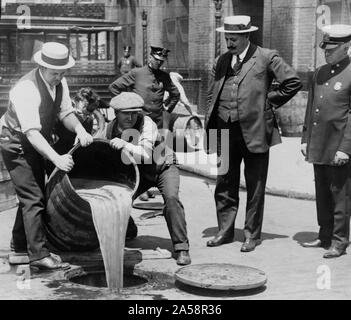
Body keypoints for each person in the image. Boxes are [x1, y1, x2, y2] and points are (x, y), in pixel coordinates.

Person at [205, 15, 302, 252]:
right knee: (224, 182)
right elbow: (212, 93)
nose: (230, 43)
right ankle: (224, 232)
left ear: (246, 35)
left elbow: (292, 82)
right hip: (225, 130)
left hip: (255, 130)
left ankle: (252, 234)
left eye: (234, 38)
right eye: (227, 38)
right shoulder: (222, 60)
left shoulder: (267, 56)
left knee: (255, 185)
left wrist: (267, 102)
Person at [0, 42, 93, 270]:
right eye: (54, 73)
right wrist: (56, 159)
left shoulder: (60, 82)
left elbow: (65, 112)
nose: (58, 77)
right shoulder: (26, 89)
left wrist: (80, 129)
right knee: (33, 197)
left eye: (62, 73)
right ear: (42, 66)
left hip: (33, 139)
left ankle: (20, 248)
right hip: (14, 141)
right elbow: (31, 133)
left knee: (34, 194)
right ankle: (38, 255)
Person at [104, 92, 191, 266]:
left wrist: (125, 144)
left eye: (134, 112)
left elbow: (145, 154)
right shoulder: (110, 128)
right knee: (119, 198)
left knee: (172, 199)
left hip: (163, 167)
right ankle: (129, 229)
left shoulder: (147, 123)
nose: (131, 117)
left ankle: (182, 248)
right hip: (141, 173)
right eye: (125, 113)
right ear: (116, 113)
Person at [300, 24, 351, 258]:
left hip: (339, 144)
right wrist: (304, 138)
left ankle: (340, 241)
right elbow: (311, 108)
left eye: (332, 49)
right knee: (321, 192)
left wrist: (345, 148)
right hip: (319, 143)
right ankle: (325, 235)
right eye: (325, 49)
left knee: (339, 193)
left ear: (346, 47)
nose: (326, 53)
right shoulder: (319, 72)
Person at [109, 45, 180, 201]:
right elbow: (114, 87)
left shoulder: (164, 76)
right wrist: (128, 105)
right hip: (138, 123)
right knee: (138, 156)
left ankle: (164, 191)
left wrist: (166, 109)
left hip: (159, 124)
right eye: (156, 60)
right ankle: (141, 189)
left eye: (161, 61)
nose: (158, 64)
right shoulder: (137, 73)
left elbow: (175, 94)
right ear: (150, 58)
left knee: (159, 157)